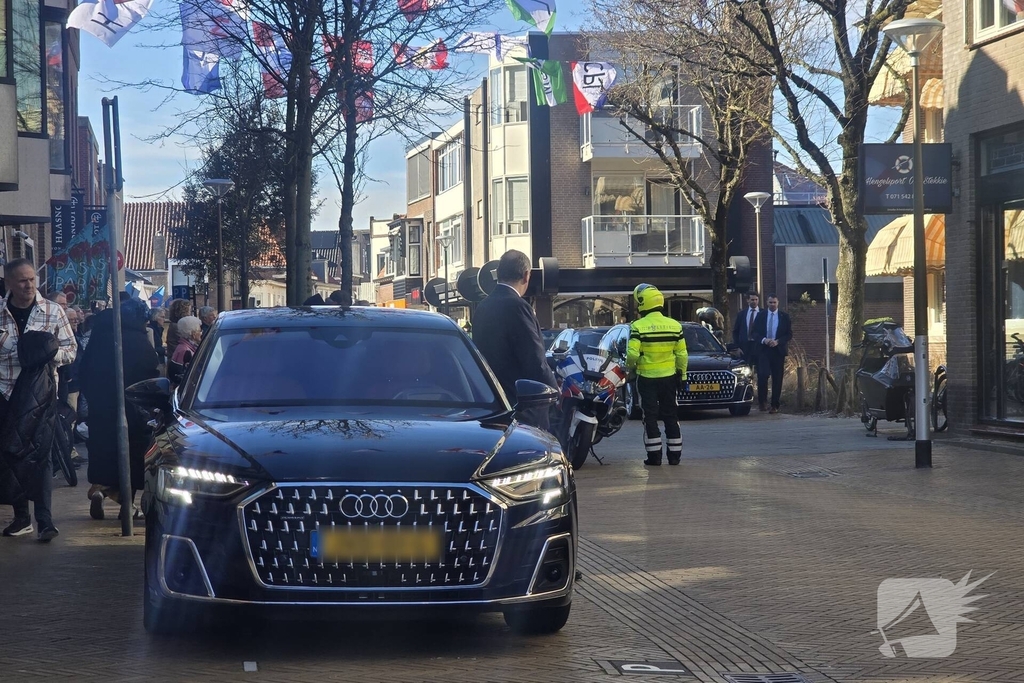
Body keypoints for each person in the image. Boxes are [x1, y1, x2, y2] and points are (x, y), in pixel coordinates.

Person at [0, 258, 77, 541]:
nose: (29, 285)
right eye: (22, 280)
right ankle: (21, 518)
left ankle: (45, 520)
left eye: (32, 279)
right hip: (5, 391)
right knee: (10, 453)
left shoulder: (53, 311)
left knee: (42, 453)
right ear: (8, 283)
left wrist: (47, 353)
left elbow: (71, 350)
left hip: (42, 394)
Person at [79, 298, 160, 520]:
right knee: (132, 453)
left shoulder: (101, 333)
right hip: (132, 408)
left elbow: (84, 368)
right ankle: (128, 505)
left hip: (101, 406)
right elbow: (149, 374)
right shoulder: (138, 339)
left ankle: (100, 490)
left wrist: (94, 397)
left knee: (104, 450)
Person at [471, 250, 556, 404]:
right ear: (526, 275)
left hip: (490, 398)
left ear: (498, 273)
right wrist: (555, 392)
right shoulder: (518, 306)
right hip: (520, 403)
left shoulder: (482, 307)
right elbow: (534, 358)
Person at [625, 284, 688, 466]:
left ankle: (655, 457)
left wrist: (629, 367)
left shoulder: (638, 327)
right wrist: (682, 376)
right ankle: (675, 456)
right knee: (671, 415)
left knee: (650, 417)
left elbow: (632, 354)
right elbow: (682, 355)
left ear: (644, 303)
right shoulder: (675, 326)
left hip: (647, 379)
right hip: (669, 378)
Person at [751, 294, 793, 414]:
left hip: (778, 350)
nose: (772, 305)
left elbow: (789, 334)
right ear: (767, 303)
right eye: (770, 303)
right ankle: (762, 401)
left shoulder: (784, 316)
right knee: (763, 375)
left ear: (778, 303)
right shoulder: (761, 316)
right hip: (764, 349)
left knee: (777, 377)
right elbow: (754, 333)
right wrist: (764, 340)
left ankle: (775, 404)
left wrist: (778, 341)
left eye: (774, 302)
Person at [167, 315, 202, 387]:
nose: (201, 333)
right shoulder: (184, 350)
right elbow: (178, 375)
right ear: (193, 334)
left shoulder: (187, 346)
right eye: (199, 330)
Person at [732, 292, 761, 366]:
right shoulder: (741, 314)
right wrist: (737, 347)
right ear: (747, 300)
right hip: (745, 346)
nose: (754, 301)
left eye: (756, 299)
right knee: (746, 368)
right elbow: (736, 331)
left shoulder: (763, 313)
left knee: (761, 370)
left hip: (759, 345)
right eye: (752, 300)